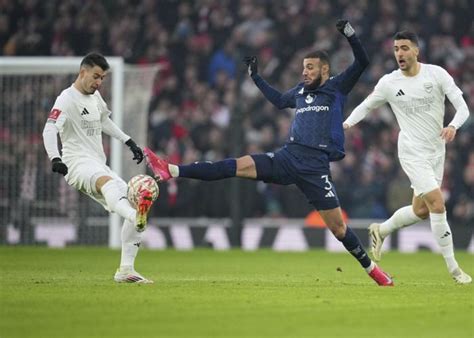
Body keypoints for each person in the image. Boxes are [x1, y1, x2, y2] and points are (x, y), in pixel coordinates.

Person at [145, 20, 394, 286]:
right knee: (236, 165)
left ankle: (373, 270)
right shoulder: (299, 92)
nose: (304, 72)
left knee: (338, 228)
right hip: (288, 157)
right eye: (303, 68)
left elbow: (363, 61)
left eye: (310, 67)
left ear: (325, 69)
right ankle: (172, 170)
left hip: (315, 167)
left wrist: (350, 34)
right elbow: (277, 100)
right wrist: (256, 76)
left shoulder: (336, 87)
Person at [343, 31, 471, 284]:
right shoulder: (389, 83)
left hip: (436, 150)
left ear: (416, 50)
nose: (399, 53)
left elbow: (463, 107)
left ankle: (382, 229)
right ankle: (455, 270)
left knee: (421, 210)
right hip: (411, 151)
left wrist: (454, 126)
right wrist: (346, 124)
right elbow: (367, 106)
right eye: (395, 49)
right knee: (437, 203)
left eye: (404, 48)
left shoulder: (436, 74)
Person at [42, 52, 155, 284]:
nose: (99, 82)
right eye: (96, 76)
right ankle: (136, 216)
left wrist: (128, 141)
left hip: (97, 162)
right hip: (76, 164)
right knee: (110, 185)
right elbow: (49, 129)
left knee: (132, 197)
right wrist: (55, 157)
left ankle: (126, 269)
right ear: (82, 72)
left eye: (102, 78)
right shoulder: (66, 99)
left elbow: (104, 121)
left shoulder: (95, 97)